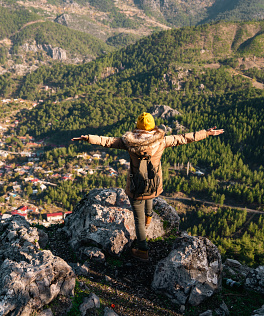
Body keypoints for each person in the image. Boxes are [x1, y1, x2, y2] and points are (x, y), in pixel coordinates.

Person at [72, 112, 224, 261]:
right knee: (150, 196)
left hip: (135, 186)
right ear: (152, 127)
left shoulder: (128, 142)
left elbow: (108, 141)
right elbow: (184, 138)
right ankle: (149, 216)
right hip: (154, 184)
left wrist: (88, 138)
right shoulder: (162, 141)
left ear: (137, 127)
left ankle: (142, 249)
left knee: (138, 219)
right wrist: (207, 133)